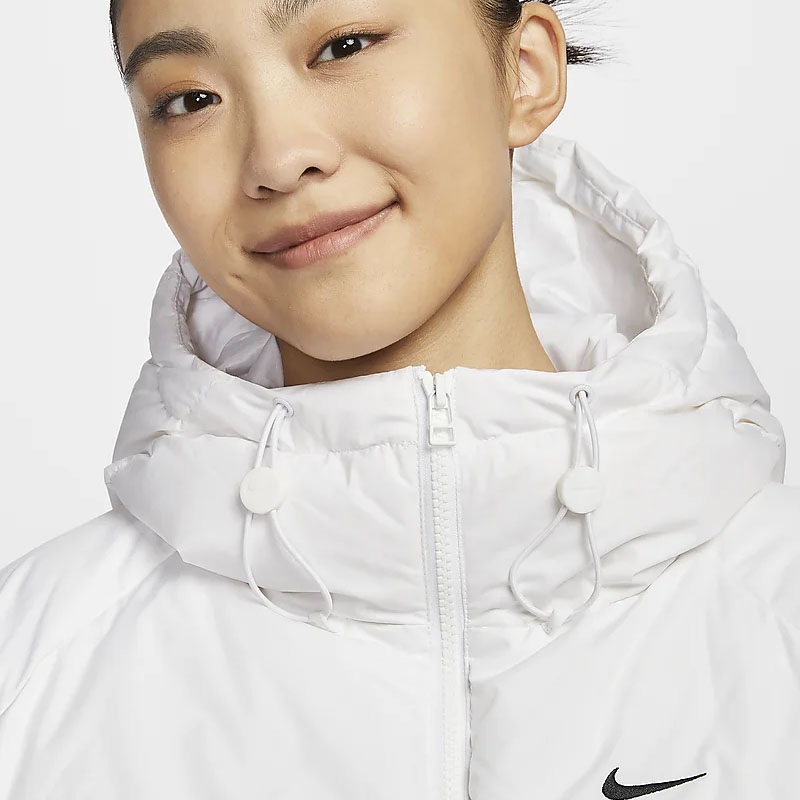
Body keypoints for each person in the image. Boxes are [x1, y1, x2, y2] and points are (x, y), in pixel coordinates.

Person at [1, 0, 798, 797]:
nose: (278, 158)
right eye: (189, 99)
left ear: (524, 71)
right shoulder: (30, 670)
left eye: (343, 46)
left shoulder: (776, 618)